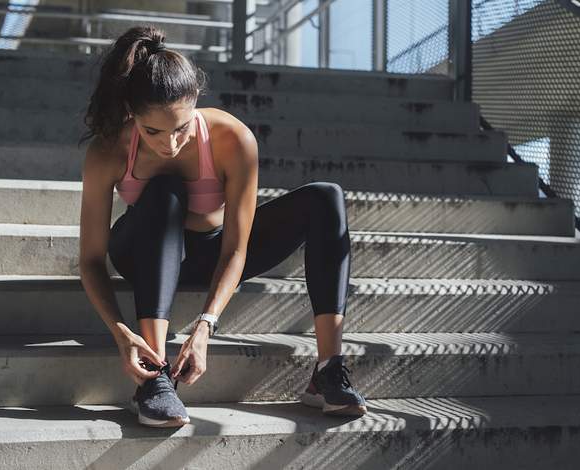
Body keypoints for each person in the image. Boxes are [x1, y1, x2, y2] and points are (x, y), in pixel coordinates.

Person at [78, 25, 367, 428]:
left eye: (180, 128)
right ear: (132, 114)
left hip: (212, 251)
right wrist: (122, 333)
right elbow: (91, 260)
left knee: (325, 196)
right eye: (153, 132)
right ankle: (155, 378)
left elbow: (236, 247)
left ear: (196, 102)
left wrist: (205, 325)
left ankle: (328, 370)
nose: (170, 144)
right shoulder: (108, 151)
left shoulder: (232, 138)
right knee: (164, 188)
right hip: (144, 249)